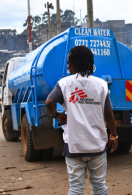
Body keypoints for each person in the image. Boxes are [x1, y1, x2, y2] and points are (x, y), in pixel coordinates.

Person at [46, 46, 118, 195]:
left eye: (68, 62)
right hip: (97, 145)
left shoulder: (65, 83)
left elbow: (49, 102)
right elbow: (109, 113)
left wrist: (56, 115)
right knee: (99, 186)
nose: (67, 66)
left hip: (74, 144)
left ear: (74, 63)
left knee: (76, 188)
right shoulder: (101, 84)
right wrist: (114, 135)